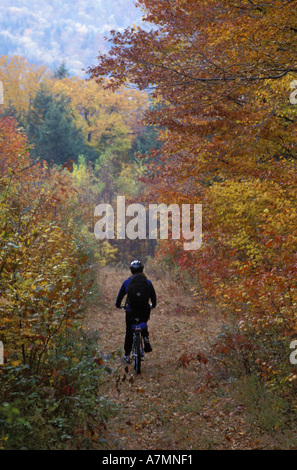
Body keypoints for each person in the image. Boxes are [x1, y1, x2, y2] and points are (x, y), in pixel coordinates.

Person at [115, 259, 157, 364]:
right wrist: (153, 305)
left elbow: (119, 297)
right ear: (142, 269)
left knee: (129, 332)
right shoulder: (147, 282)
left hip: (131, 311)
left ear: (131, 270)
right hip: (144, 311)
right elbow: (154, 298)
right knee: (143, 322)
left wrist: (118, 305)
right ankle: (145, 336)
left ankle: (126, 356)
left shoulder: (127, 282)